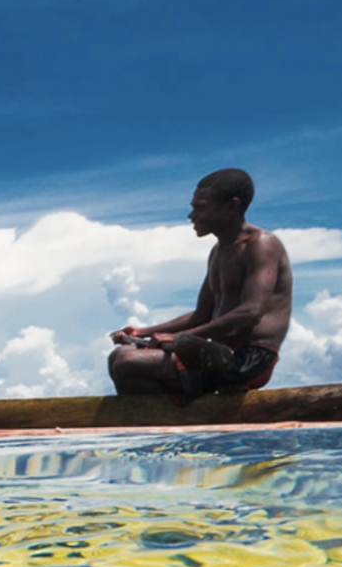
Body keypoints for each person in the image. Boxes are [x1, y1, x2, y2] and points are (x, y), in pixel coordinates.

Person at [108, 168, 292, 398]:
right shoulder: (218, 252)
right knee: (119, 356)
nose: (191, 215)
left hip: (250, 359)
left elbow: (251, 312)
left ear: (231, 207)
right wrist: (144, 332)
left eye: (200, 207)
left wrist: (181, 339)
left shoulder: (262, 245)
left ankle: (187, 398)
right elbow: (201, 315)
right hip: (216, 354)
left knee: (128, 361)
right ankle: (177, 413)